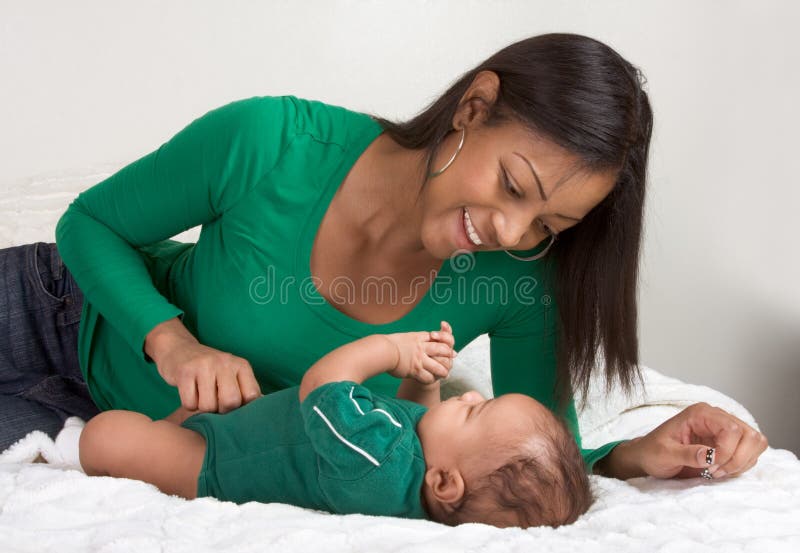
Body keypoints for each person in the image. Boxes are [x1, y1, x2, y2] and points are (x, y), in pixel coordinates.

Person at [1, 33, 767, 483]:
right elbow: (91, 222)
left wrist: (636, 454)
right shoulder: (271, 143)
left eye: (548, 224)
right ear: (473, 107)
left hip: (89, 427)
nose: (510, 229)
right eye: (513, 185)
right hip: (56, 309)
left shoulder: (521, 280)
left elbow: (534, 448)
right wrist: (173, 341)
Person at [79, 322, 592, 528]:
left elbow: (322, 386)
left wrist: (393, 350)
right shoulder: (417, 464)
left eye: (477, 411)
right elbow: (417, 416)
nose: (474, 394)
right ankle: (181, 421)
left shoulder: (379, 467)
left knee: (105, 437)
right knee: (192, 411)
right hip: (243, 430)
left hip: (215, 464)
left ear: (445, 481)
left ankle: (160, 430)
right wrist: (426, 378)